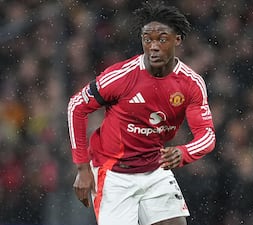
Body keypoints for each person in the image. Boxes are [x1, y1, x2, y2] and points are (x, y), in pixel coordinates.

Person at [67, 2, 216, 225]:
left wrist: (184, 152)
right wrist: (82, 167)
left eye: (162, 39)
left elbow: (207, 136)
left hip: (155, 169)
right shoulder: (122, 76)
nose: (153, 46)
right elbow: (76, 107)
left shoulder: (190, 83)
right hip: (114, 173)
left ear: (177, 40)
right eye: (148, 39)